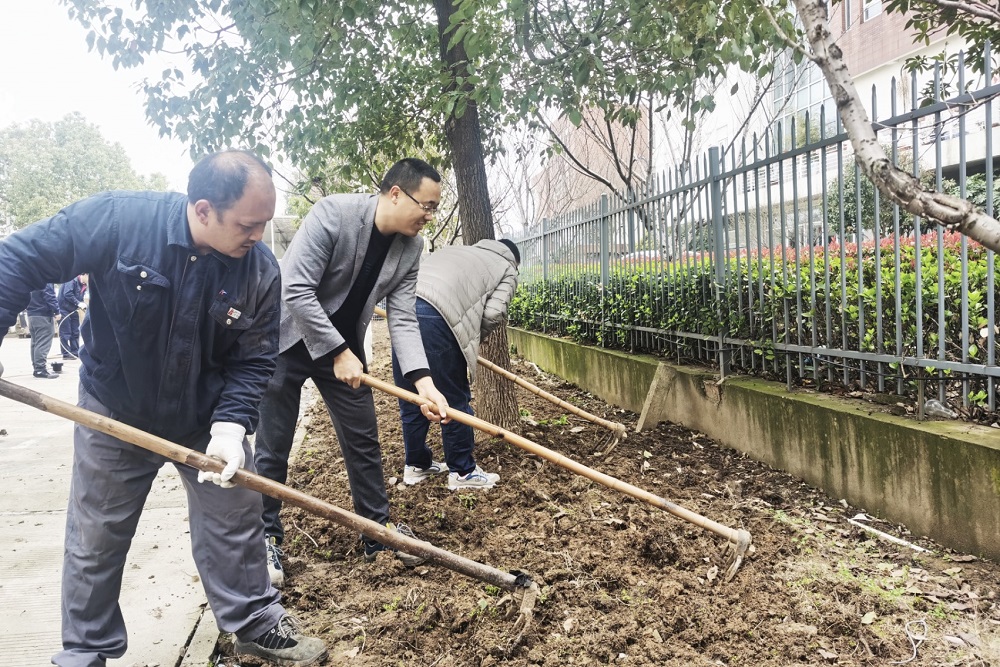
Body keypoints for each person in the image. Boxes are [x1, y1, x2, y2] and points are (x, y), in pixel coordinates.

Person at [0, 150, 327, 666]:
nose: (259, 236)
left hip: (205, 417)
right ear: (202, 210)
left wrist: (230, 425)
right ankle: (85, 649)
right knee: (96, 534)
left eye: (264, 223)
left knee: (236, 519)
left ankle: (254, 622)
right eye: (248, 224)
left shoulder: (260, 270)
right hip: (115, 410)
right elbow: (18, 258)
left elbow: (256, 357)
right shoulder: (118, 220)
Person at [254, 157, 450, 589]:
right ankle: (264, 537)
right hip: (287, 337)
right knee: (272, 446)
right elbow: (295, 287)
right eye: (428, 206)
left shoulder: (411, 248)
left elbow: (402, 318)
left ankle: (377, 535)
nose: (430, 217)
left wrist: (425, 383)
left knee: (364, 441)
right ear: (396, 193)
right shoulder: (334, 214)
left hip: (342, 355)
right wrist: (340, 350)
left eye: (435, 208)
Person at [391, 239, 520, 490]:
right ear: (515, 259)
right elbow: (494, 313)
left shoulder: (456, 250)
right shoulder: (507, 268)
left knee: (412, 395)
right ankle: (463, 471)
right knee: (454, 399)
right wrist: (468, 338)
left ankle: (416, 465)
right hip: (440, 319)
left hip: (402, 314)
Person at [25, 283, 62, 378]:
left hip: (32, 314)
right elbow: (49, 295)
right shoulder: (46, 279)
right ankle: (40, 369)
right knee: (43, 342)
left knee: (35, 342)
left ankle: (37, 368)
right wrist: (56, 311)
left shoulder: (31, 278)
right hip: (43, 315)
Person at [58, 274, 87, 359]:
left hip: (73, 309)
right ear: (84, 275)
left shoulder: (84, 285)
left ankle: (75, 352)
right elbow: (67, 294)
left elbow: (80, 296)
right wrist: (78, 303)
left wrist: (81, 304)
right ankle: (66, 353)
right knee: (65, 332)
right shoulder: (71, 280)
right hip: (63, 308)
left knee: (75, 331)